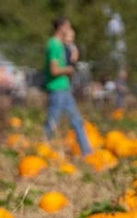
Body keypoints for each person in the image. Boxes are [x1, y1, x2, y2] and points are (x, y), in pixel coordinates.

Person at [44, 17, 92, 156]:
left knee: (77, 121)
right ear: (61, 27)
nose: (70, 30)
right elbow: (54, 70)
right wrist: (69, 70)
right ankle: (42, 149)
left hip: (64, 88)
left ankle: (87, 153)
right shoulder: (53, 45)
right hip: (56, 88)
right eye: (68, 27)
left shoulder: (61, 45)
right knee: (52, 122)